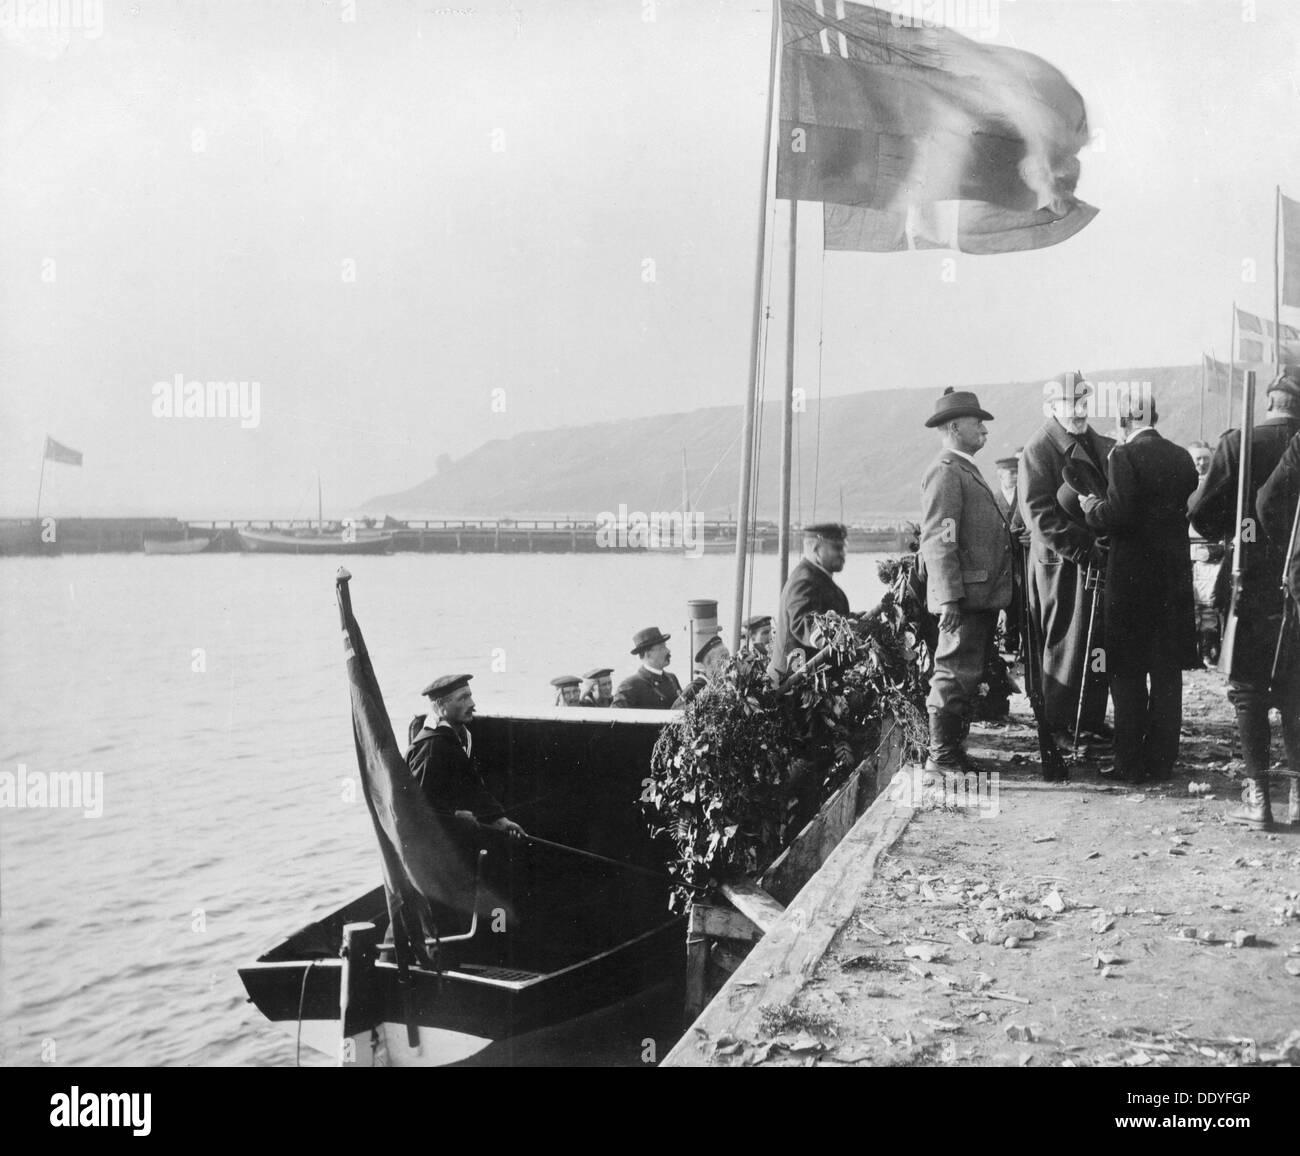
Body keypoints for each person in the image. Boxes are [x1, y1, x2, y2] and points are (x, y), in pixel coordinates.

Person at [1190, 365, 1300, 829]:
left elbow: (1201, 515)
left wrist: (1234, 530)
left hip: (1249, 577)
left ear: (1271, 400)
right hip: (1295, 582)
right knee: (1296, 688)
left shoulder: (1239, 443)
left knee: (1249, 690)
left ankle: (1258, 797)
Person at [1078, 394, 1199, 782]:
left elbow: (1119, 514)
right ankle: (1162, 761)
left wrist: (1090, 507)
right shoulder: (1181, 456)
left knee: (1127, 670)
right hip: (1173, 579)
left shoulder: (1122, 456)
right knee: (1167, 672)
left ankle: (1130, 763)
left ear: (1125, 423)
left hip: (1131, 582)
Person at [1018, 371, 1116, 747]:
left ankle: (1089, 718)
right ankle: (1058, 725)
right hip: (1062, 565)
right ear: (1052, 407)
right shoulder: (1039, 448)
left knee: (1096, 642)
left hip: (1092, 560)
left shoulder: (1093, 442)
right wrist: (1084, 548)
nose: (1078, 409)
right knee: (1064, 643)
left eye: (1082, 401)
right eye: (1070, 403)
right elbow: (1038, 515)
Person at [918, 388, 1014, 772]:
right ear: (955, 427)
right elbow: (939, 541)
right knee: (953, 673)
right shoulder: (945, 472)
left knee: (966, 674)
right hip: (964, 599)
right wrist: (947, 600)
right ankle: (940, 757)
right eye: (979, 424)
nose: (985, 432)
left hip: (977, 596)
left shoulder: (963, 470)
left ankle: (951, 752)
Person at [406, 674, 525, 836]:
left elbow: (472, 786)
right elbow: (417, 806)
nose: (472, 704)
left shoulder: (460, 736)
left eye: (470, 696)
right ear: (441, 705)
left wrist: (498, 819)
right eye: (463, 698)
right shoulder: (431, 747)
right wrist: (454, 815)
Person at [770, 523, 851, 678]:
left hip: (820, 681)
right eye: (837, 548)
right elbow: (803, 622)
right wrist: (832, 634)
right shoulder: (804, 581)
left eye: (843, 548)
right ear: (815, 549)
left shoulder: (822, 581)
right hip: (793, 686)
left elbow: (839, 618)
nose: (843, 554)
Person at [1187, 440, 1225, 666]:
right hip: (1185, 547)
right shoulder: (1179, 484)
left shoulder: (1218, 486)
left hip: (1209, 549)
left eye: (1205, 459)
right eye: (1197, 459)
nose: (1201, 463)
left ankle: (1208, 649)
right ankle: (1190, 650)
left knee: (1208, 602)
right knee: (1187, 602)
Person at [611, 627, 682, 709]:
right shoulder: (630, 685)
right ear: (647, 654)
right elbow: (615, 716)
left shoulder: (671, 679)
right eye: (661, 648)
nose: (668, 651)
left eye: (665, 646)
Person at [673, 634, 731, 707]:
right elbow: (673, 714)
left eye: (728, 657)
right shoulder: (694, 689)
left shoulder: (725, 686)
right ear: (708, 662)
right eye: (723, 657)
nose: (728, 662)